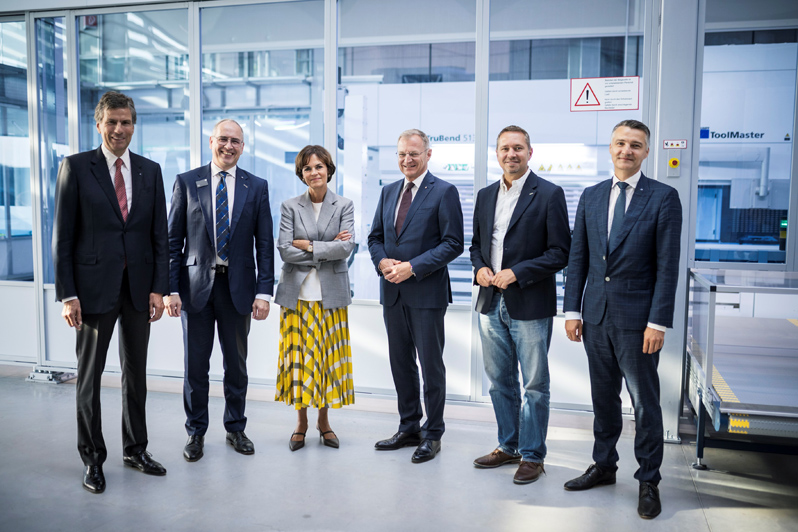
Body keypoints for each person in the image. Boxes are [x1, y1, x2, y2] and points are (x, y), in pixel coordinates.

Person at [563, 119, 682, 519]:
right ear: (609, 148)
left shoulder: (664, 198)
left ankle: (649, 479)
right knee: (602, 398)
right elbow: (577, 257)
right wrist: (573, 310)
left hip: (639, 322)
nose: (626, 150)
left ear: (646, 152)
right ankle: (604, 465)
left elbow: (668, 268)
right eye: (619, 143)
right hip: (594, 316)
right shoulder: (592, 196)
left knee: (645, 403)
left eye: (635, 145)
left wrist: (658, 322)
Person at [53, 91, 169, 493]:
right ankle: (92, 459)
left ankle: (135, 449)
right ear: (98, 125)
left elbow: (159, 235)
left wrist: (159, 288)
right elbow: (63, 237)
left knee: (136, 376)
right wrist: (68, 294)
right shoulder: (76, 167)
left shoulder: (150, 171)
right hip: (91, 290)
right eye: (112, 122)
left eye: (126, 122)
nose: (119, 129)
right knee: (90, 377)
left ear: (134, 126)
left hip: (138, 290)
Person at [165, 119, 274, 462]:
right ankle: (196, 432)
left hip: (238, 289)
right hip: (194, 290)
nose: (229, 146)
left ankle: (235, 428)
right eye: (223, 139)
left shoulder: (256, 186)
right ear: (211, 140)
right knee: (195, 367)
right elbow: (172, 242)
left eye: (236, 142)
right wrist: (169, 288)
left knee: (236, 365)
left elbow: (265, 245)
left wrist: (264, 292)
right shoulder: (186, 181)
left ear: (243, 147)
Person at [469, 125, 571, 484]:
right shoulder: (484, 196)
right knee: (499, 382)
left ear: (530, 152)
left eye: (517, 148)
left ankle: (532, 454)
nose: (510, 154)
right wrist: (480, 267)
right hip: (490, 301)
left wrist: (517, 272)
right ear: (496, 154)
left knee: (533, 385)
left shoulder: (549, 194)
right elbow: (477, 245)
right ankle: (508, 445)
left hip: (529, 301)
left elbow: (561, 252)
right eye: (504, 149)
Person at [368, 128, 464, 464]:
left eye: (413, 153)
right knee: (401, 364)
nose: (407, 160)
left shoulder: (444, 192)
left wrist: (412, 267)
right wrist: (382, 261)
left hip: (426, 292)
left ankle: (432, 433)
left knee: (431, 366)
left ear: (427, 154)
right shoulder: (388, 191)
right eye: (401, 154)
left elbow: (453, 243)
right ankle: (408, 426)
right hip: (392, 292)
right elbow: (374, 237)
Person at [274, 145, 355, 451]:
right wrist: (325, 247)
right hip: (297, 297)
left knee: (326, 362)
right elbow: (284, 249)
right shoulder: (290, 206)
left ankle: (324, 422)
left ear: (329, 170)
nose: (314, 172)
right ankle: (301, 423)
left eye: (319, 166)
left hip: (331, 296)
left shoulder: (344, 205)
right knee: (300, 362)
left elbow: (346, 248)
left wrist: (307, 246)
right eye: (308, 168)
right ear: (302, 174)